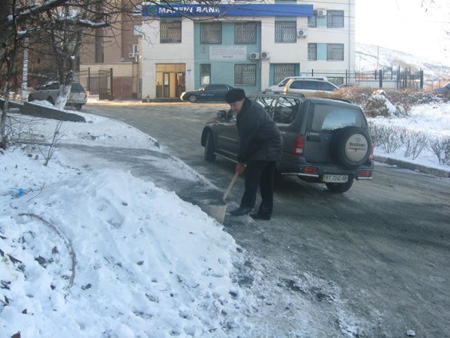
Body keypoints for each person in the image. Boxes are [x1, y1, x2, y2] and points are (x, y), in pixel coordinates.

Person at [225, 88, 283, 220]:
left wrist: (241, 161)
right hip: (272, 145)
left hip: (266, 147)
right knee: (265, 181)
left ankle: (246, 206)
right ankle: (266, 212)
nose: (233, 108)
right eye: (230, 105)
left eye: (235, 104)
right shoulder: (247, 108)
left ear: (243, 100)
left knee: (252, 178)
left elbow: (246, 140)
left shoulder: (250, 113)